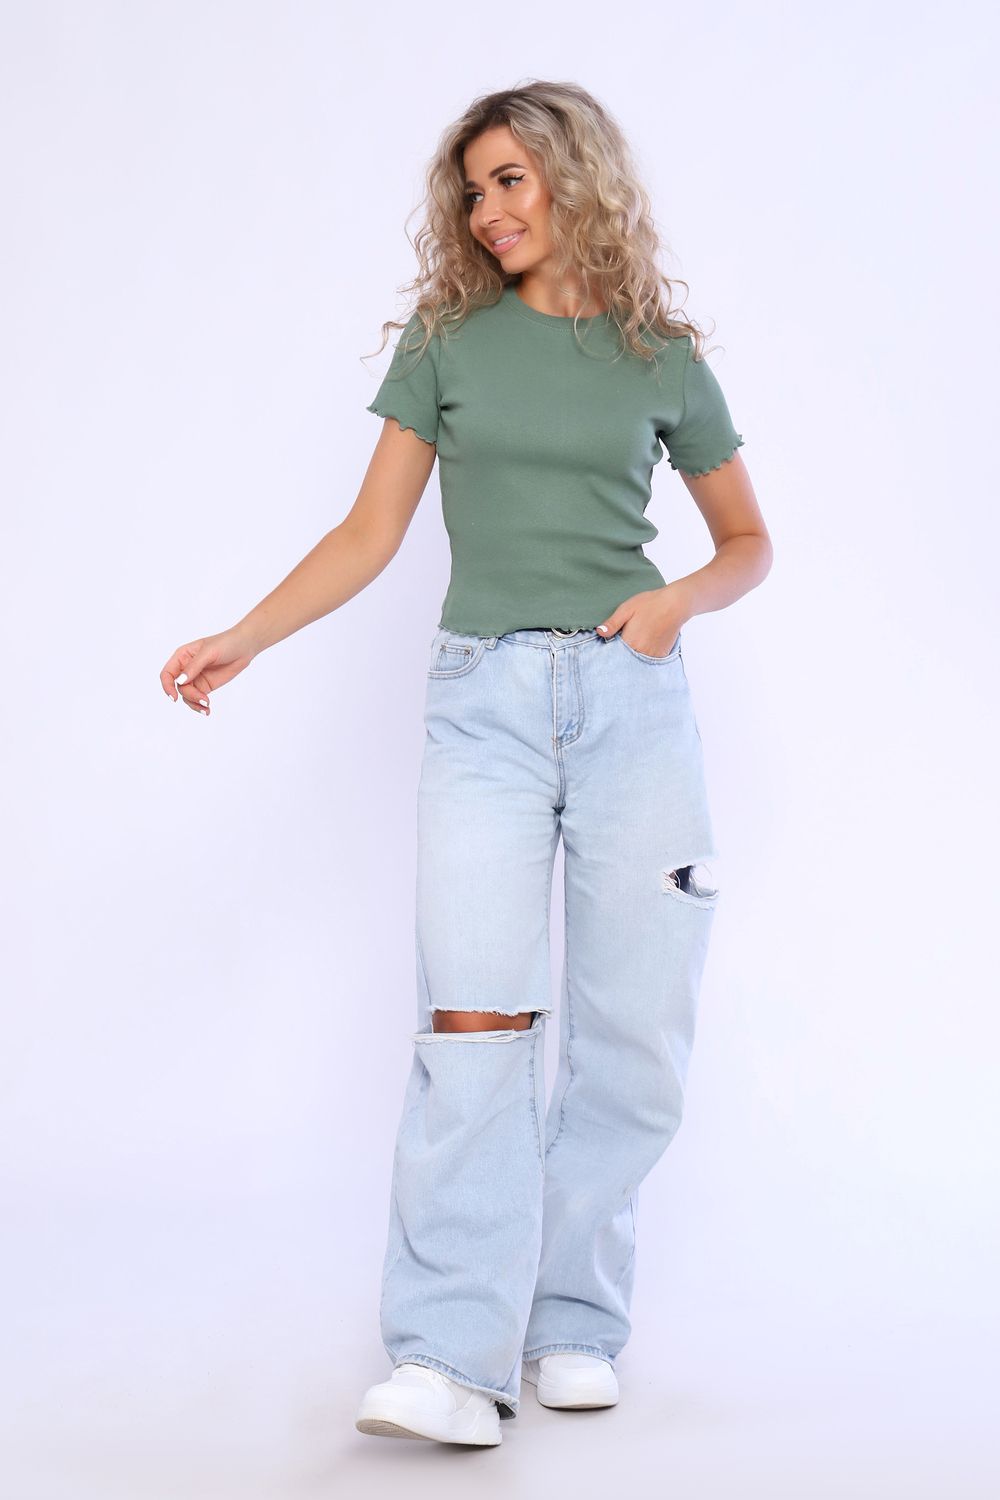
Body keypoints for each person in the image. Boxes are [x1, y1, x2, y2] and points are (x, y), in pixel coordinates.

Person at [160, 80, 772, 1450]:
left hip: (633, 701)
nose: (488, 209)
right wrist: (245, 636)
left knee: (633, 1032)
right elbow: (368, 534)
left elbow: (749, 542)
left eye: (510, 179)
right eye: (473, 188)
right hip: (482, 704)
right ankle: (448, 1355)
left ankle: (573, 1320)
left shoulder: (662, 356)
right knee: (475, 1022)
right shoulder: (445, 344)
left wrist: (675, 604)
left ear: (575, 177)